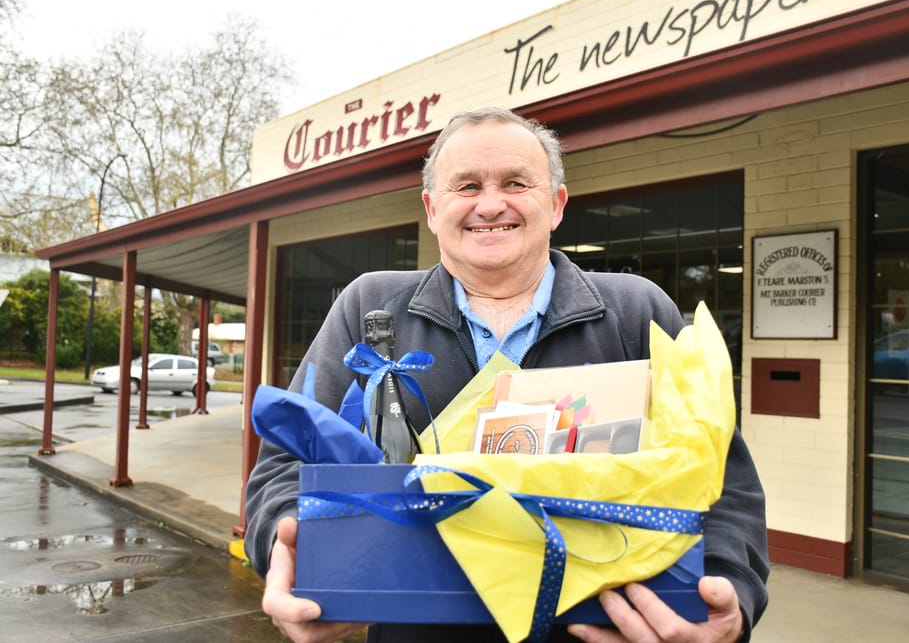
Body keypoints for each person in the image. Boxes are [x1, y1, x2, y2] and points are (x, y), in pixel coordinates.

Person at [245, 106, 769, 643]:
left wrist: (731, 593)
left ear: (556, 204)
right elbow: (286, 464)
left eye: (516, 183)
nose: (491, 204)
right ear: (431, 208)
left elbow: (721, 480)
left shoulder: (636, 312)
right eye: (466, 186)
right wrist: (287, 546)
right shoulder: (370, 307)